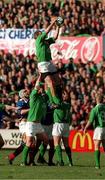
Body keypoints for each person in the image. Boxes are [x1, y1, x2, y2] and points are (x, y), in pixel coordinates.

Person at [21, 75, 48, 166]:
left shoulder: (42, 97)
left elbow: (47, 91)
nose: (42, 89)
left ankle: (39, 158)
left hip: (38, 124)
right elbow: (36, 85)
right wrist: (40, 76)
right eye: (41, 88)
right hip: (31, 123)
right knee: (29, 143)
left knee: (45, 140)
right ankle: (23, 162)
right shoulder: (34, 95)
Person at [34, 17, 61, 105]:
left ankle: (54, 96)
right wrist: (53, 22)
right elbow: (47, 31)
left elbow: (55, 37)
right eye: (40, 33)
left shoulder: (46, 41)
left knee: (58, 81)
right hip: (43, 64)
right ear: (37, 35)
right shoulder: (38, 40)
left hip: (50, 62)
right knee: (50, 83)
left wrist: (58, 26)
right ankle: (53, 100)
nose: (42, 32)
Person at [8, 89, 30, 165]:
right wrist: (31, 109)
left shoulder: (30, 100)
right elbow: (20, 112)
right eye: (25, 91)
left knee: (28, 142)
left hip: (30, 123)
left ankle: (12, 156)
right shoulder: (20, 102)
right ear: (22, 94)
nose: (27, 92)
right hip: (23, 123)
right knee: (27, 142)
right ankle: (23, 161)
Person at [84, 93, 105, 169]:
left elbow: (90, 120)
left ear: (96, 99)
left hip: (99, 129)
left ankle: (97, 165)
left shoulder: (95, 109)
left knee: (97, 146)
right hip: (104, 128)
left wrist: (85, 128)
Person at [52, 89, 73, 166]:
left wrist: (52, 105)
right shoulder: (68, 104)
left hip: (59, 124)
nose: (64, 95)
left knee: (56, 143)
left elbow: (56, 105)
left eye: (65, 94)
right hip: (66, 125)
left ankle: (60, 161)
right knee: (66, 144)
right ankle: (70, 162)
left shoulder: (60, 103)